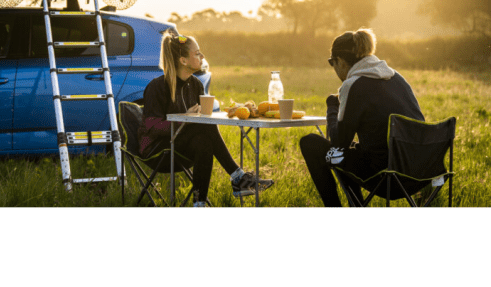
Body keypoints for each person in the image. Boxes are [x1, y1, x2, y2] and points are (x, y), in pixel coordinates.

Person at [139, 30, 273, 206]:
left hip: (181, 145)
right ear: (183, 60)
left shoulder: (195, 85)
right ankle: (237, 177)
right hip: (158, 149)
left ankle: (199, 203)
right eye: (197, 53)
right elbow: (153, 127)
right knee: (203, 125)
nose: (202, 56)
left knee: (204, 141)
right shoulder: (157, 87)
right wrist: (185, 118)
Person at [299, 28, 424, 207]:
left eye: (331, 63)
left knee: (310, 143)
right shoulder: (397, 78)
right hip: (420, 172)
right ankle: (356, 205)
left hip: (386, 177)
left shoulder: (354, 85)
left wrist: (332, 106)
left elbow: (337, 145)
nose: (333, 69)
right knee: (351, 153)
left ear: (340, 61)